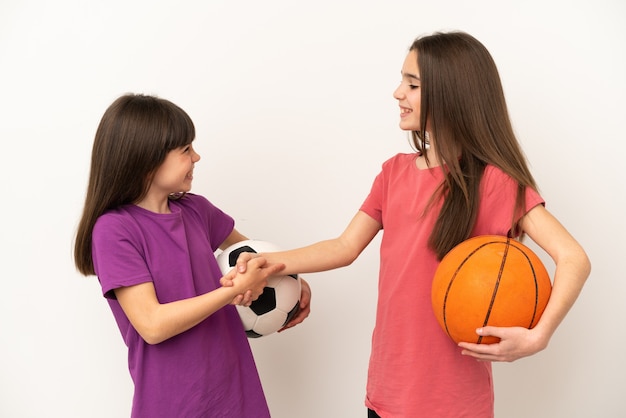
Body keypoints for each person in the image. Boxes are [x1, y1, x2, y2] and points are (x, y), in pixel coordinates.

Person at [228, 31, 591, 417]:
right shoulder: (394, 173)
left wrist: (539, 336)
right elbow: (344, 247)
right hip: (386, 394)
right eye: (402, 81)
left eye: (412, 84)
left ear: (452, 94)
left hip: (454, 404)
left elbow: (573, 257)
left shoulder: (494, 182)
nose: (397, 93)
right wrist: (271, 263)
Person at [73, 93, 311, 418]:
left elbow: (255, 255)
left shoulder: (197, 210)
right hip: (174, 405)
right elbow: (153, 325)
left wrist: (290, 279)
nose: (196, 156)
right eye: (186, 149)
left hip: (237, 396)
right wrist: (232, 292)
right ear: (146, 158)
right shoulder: (114, 230)